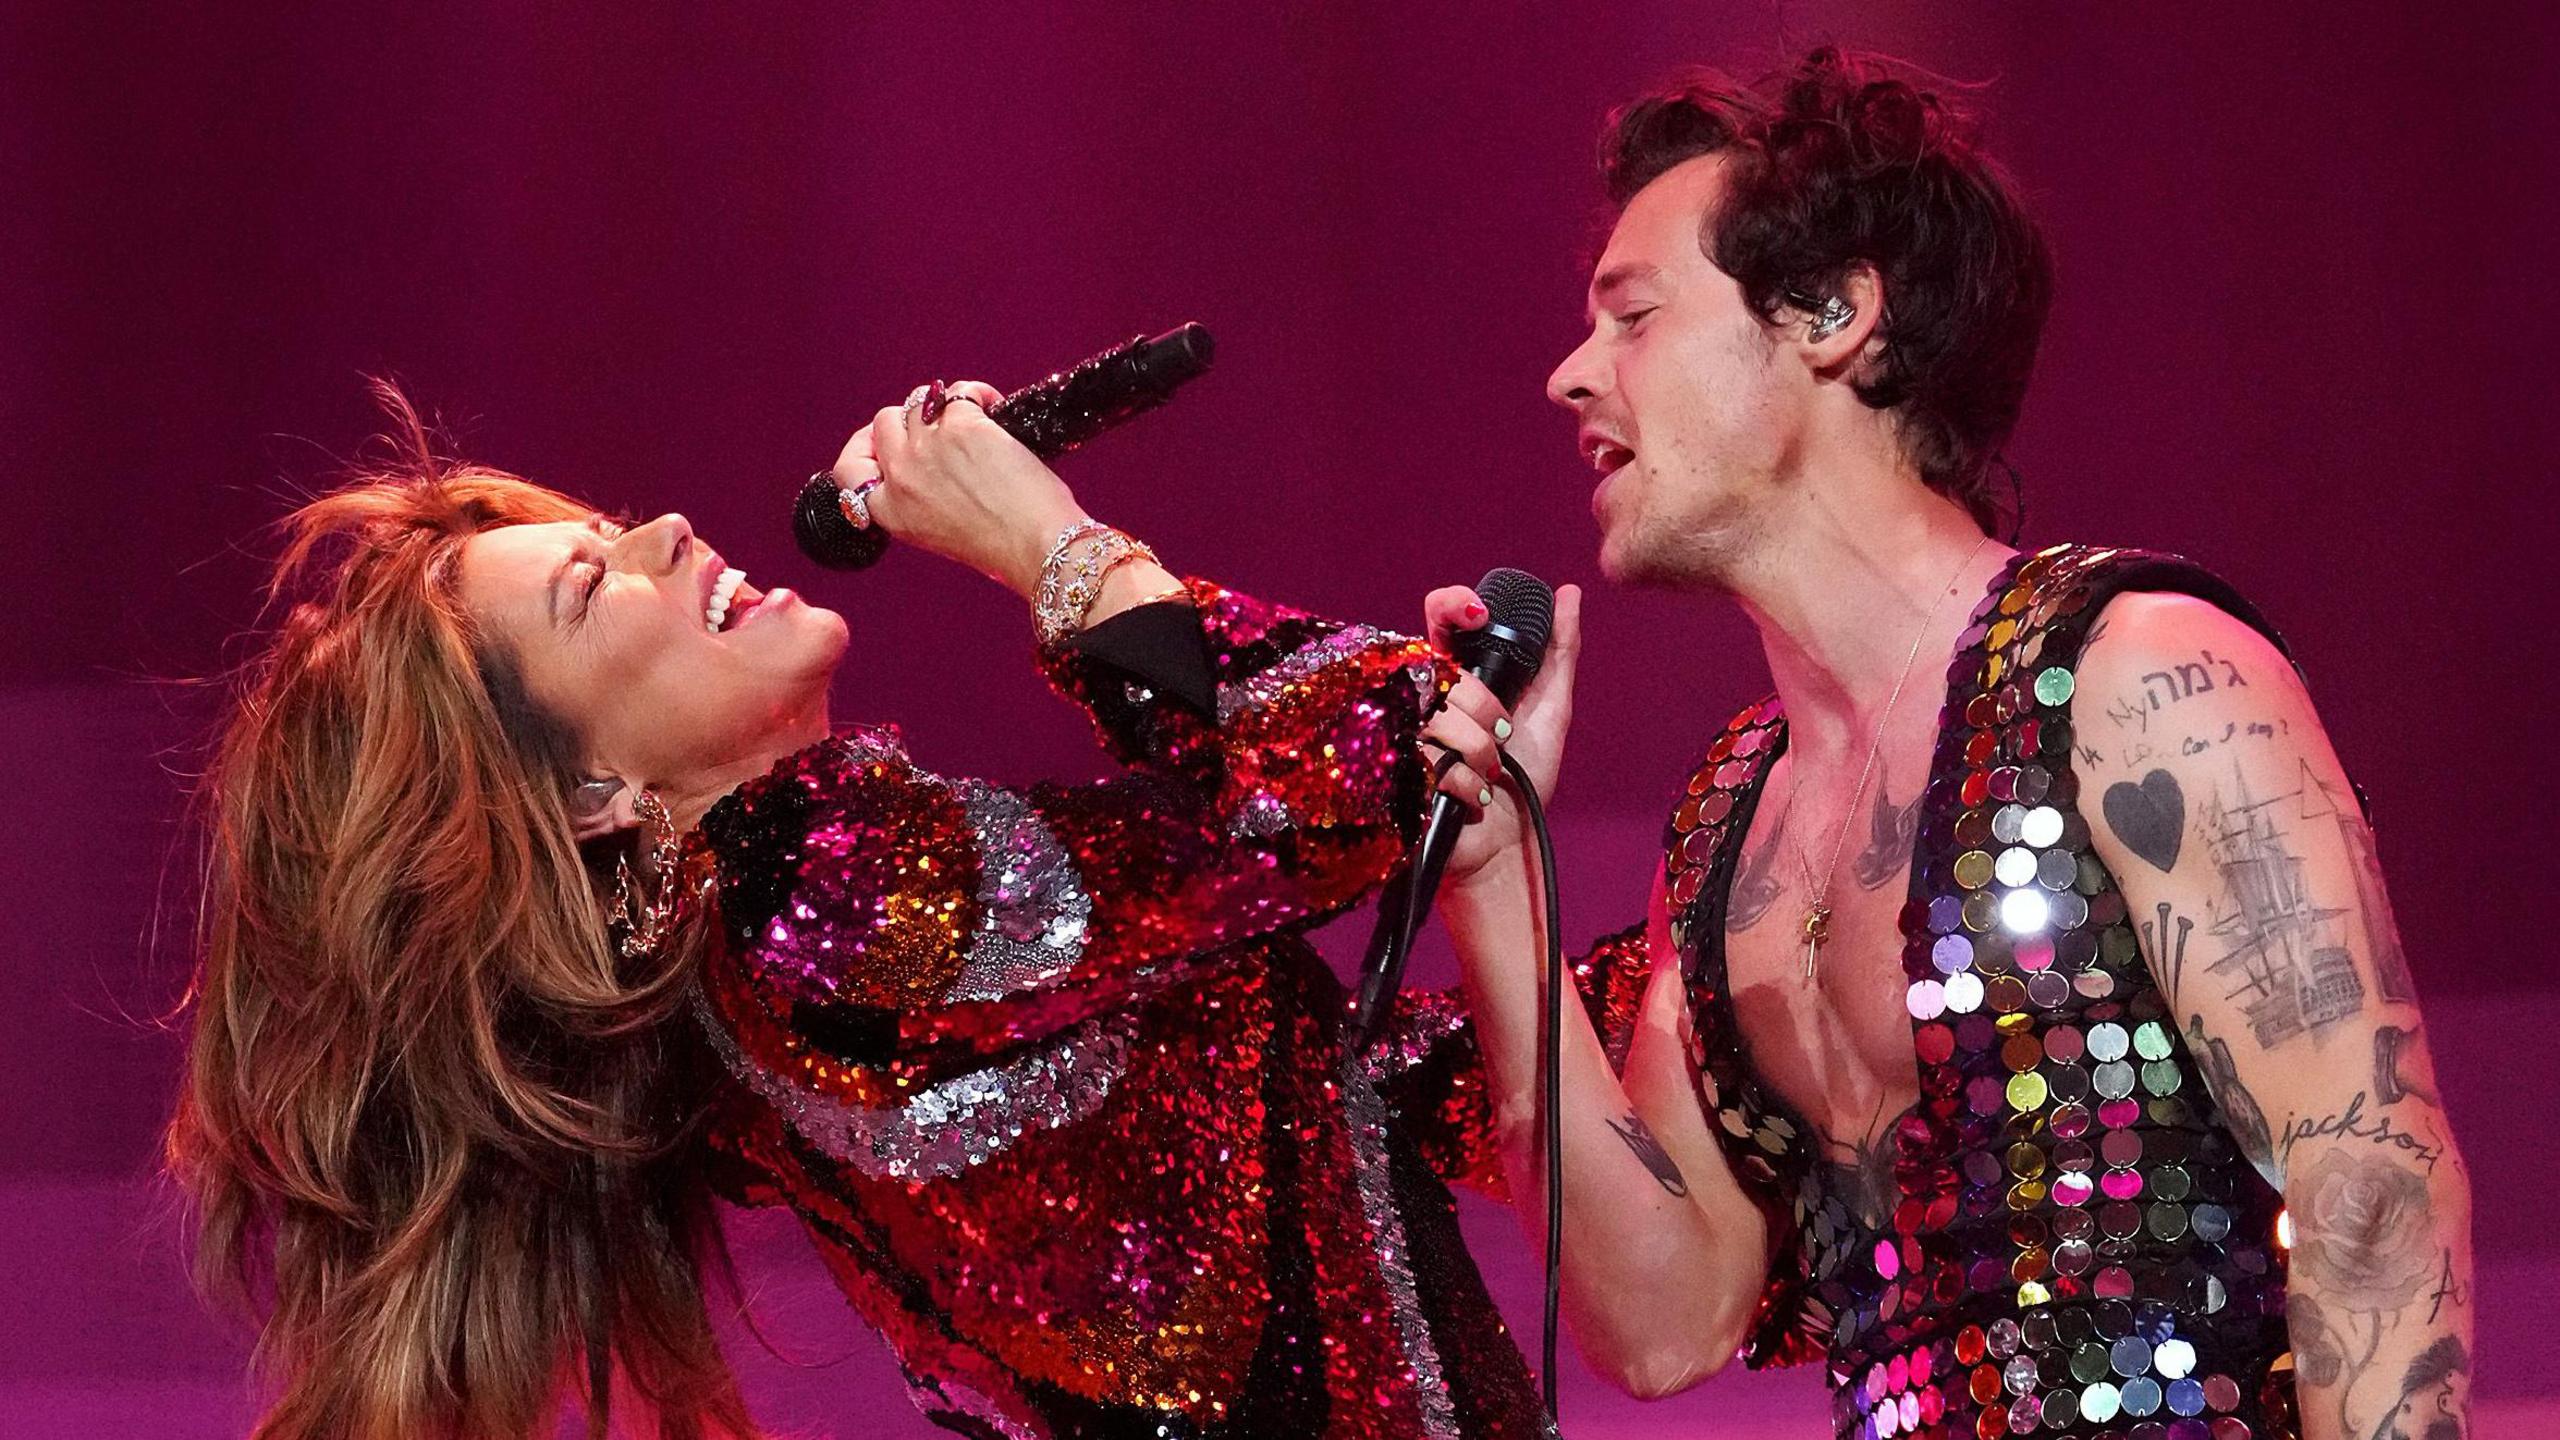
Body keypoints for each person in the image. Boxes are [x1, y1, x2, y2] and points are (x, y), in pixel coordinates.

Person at [1414, 48, 2473, 1440]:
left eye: (1634, 317)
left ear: (1835, 312)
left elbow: (2369, 1188)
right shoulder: (1737, 817)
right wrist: (1497, 882)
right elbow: (1662, 1323)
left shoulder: (2137, 674)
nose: (1570, 375)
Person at [165, 379, 1553, 1439]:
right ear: (590, 798)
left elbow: (1305, 1091)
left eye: (607, 532)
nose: (666, 528)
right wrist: (1043, 539)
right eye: (597, 582)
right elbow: (1347, 775)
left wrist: (1689, 1038)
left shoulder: (768, 955)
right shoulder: (813, 899)